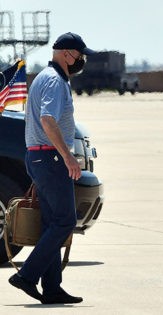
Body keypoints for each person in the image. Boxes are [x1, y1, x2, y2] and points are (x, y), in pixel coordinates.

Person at [8, 32, 96, 304]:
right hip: (51, 159)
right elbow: (47, 119)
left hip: (38, 157)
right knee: (64, 221)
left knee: (51, 222)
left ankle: (52, 287)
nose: (81, 60)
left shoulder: (44, 78)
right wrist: (68, 157)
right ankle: (28, 275)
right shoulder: (55, 81)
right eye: (80, 55)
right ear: (66, 53)